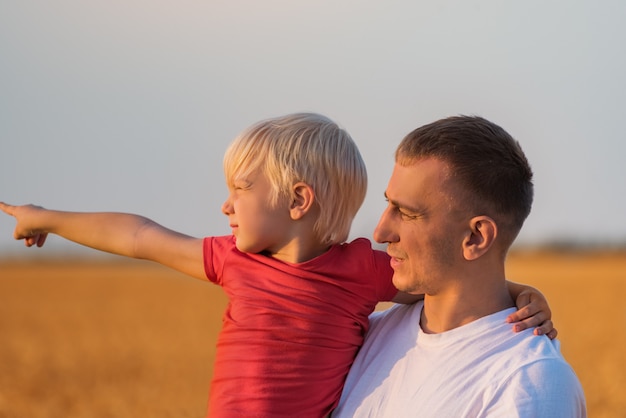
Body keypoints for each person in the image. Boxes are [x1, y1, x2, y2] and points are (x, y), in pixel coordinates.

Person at [1, 113, 555, 418]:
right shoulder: (236, 261)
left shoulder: (363, 275)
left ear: (298, 201)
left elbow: (460, 284)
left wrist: (517, 294)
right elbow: (141, 235)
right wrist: (47, 216)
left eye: (240, 189)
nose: (225, 206)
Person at [331, 115, 586, 417]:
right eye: (388, 204)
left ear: (476, 237)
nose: (380, 233)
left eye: (406, 213)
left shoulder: (527, 381)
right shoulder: (363, 335)